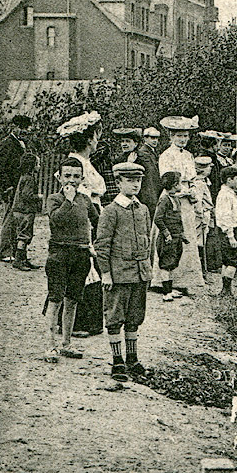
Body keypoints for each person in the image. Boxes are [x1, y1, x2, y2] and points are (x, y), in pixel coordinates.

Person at [95, 162, 152, 381]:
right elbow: (102, 245)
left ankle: (132, 359)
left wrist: (147, 269)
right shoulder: (111, 211)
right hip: (119, 274)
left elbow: (147, 241)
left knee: (135, 317)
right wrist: (106, 273)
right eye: (129, 180)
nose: (135, 185)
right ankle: (117, 361)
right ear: (118, 182)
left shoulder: (143, 209)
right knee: (115, 316)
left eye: (138, 180)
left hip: (139, 274)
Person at [43, 158, 97, 362]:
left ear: (82, 178)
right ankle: (50, 346)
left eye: (76, 177)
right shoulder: (54, 199)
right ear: (59, 177)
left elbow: (98, 221)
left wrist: (95, 246)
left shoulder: (85, 200)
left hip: (81, 254)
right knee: (55, 299)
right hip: (59, 254)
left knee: (72, 299)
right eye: (67, 176)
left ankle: (67, 343)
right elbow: (57, 220)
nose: (71, 180)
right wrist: (68, 200)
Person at [61, 111, 106, 337]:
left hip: (91, 215)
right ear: (89, 139)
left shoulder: (85, 162)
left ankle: (85, 321)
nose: (97, 141)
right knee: (83, 267)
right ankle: (77, 322)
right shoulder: (76, 164)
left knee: (90, 267)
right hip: (82, 220)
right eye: (97, 136)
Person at [156, 116, 206, 295]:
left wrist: (193, 190)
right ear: (171, 136)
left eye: (185, 136)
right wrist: (181, 189)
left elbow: (192, 177)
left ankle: (183, 279)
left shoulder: (189, 155)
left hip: (186, 202)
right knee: (171, 234)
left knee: (186, 236)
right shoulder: (166, 155)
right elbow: (166, 180)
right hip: (172, 197)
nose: (183, 139)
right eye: (179, 136)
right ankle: (164, 280)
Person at [0, 114, 31, 262]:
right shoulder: (7, 143)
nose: (25, 132)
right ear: (14, 127)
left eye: (26, 129)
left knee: (16, 219)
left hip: (18, 187)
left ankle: (13, 252)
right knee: (10, 219)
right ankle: (5, 252)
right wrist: (7, 185)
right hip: (11, 187)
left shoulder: (21, 143)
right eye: (22, 128)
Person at [153, 171, 189, 302]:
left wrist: (182, 234)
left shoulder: (175, 198)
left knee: (173, 263)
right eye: (179, 183)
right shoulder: (164, 200)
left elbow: (178, 220)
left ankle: (170, 288)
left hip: (176, 237)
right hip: (167, 239)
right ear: (174, 185)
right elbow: (158, 219)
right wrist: (166, 233)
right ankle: (166, 292)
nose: (181, 185)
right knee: (166, 264)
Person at [214, 166, 237, 297]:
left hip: (232, 230)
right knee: (233, 260)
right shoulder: (225, 195)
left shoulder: (229, 193)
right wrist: (230, 236)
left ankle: (225, 289)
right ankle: (226, 290)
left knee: (227, 260)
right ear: (229, 180)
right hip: (229, 231)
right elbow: (225, 217)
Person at [10, 153, 43, 271]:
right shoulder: (29, 179)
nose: (39, 166)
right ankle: (18, 260)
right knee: (24, 236)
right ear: (32, 166)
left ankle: (23, 259)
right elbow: (26, 195)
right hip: (25, 211)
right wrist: (38, 197)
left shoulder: (24, 176)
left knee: (23, 234)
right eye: (37, 164)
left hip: (19, 211)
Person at [193, 155, 216, 274]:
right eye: (208, 168)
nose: (210, 169)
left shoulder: (204, 181)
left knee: (202, 241)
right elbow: (197, 203)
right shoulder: (199, 183)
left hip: (205, 214)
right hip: (200, 217)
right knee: (199, 242)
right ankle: (199, 270)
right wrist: (201, 216)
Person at [135, 128, 162, 217]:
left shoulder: (152, 151)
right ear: (145, 138)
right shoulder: (143, 152)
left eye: (157, 138)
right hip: (149, 189)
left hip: (154, 188)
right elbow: (151, 172)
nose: (155, 141)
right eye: (152, 138)